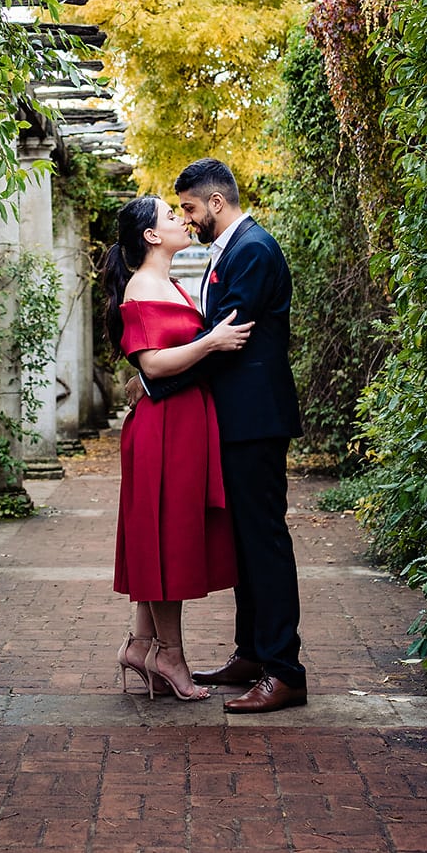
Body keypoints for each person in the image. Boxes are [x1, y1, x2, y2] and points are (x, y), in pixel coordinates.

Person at [153, 158, 307, 714]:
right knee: (245, 542)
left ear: (216, 202)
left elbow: (227, 337)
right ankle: (252, 653)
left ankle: (285, 671)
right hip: (238, 418)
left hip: (255, 420)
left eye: (191, 209)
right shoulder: (234, 249)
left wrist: (155, 380)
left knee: (263, 542)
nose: (188, 221)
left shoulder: (254, 250)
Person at [101, 194, 253, 701]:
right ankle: (170, 654)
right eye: (172, 217)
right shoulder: (143, 287)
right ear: (150, 236)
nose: (182, 221)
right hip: (164, 429)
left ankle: (140, 645)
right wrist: (211, 343)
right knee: (166, 540)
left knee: (164, 536)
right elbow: (154, 365)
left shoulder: (168, 283)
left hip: (182, 424)